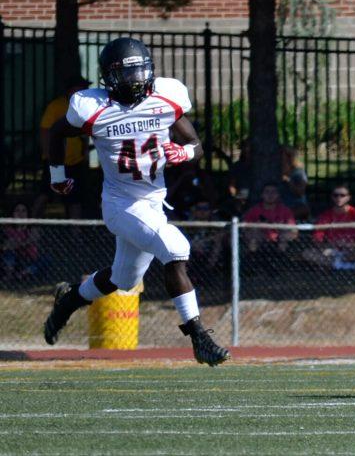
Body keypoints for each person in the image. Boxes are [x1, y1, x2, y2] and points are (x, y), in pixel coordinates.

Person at [41, 37, 229, 365]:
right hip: (121, 204)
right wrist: (57, 176)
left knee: (123, 279)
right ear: (109, 77)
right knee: (175, 248)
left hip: (153, 202)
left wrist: (184, 151)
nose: (135, 80)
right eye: (126, 75)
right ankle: (198, 335)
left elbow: (195, 144)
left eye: (140, 72)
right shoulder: (93, 108)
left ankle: (70, 299)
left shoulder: (164, 99)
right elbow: (57, 133)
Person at [33, 76, 93, 220]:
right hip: (55, 162)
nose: (84, 91)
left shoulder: (84, 107)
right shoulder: (56, 106)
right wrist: (49, 155)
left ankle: (75, 237)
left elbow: (85, 133)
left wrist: (84, 153)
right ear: (70, 90)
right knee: (45, 194)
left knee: (75, 198)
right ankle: (30, 224)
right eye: (80, 88)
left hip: (75, 162)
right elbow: (44, 130)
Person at [304, 185, 355, 271]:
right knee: (307, 253)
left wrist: (349, 245)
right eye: (336, 195)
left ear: (348, 198)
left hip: (351, 251)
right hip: (331, 252)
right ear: (332, 197)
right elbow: (317, 238)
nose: (339, 198)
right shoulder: (326, 215)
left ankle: (336, 265)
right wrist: (327, 246)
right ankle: (345, 265)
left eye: (342, 195)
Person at [241, 183, 298, 261]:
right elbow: (244, 228)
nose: (270, 195)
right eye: (267, 192)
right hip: (260, 241)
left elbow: (294, 231)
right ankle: (252, 261)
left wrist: (281, 230)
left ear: (278, 195)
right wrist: (257, 227)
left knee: (285, 236)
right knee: (253, 235)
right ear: (262, 195)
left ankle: (281, 262)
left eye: (273, 192)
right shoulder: (254, 210)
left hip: (278, 241)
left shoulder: (285, 211)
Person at [3, 201, 47, 282]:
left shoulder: (32, 228)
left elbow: (34, 238)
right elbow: (6, 246)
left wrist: (17, 244)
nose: (20, 213)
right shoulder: (7, 229)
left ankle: (22, 274)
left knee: (46, 259)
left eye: (23, 211)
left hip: (30, 259)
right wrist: (23, 243)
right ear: (12, 213)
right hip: (15, 260)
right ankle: (9, 275)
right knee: (9, 253)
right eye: (17, 210)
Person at [279, 146, 310, 221]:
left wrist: (289, 181)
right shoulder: (275, 171)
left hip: (296, 205)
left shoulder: (298, 172)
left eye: (282, 155)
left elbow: (300, 192)